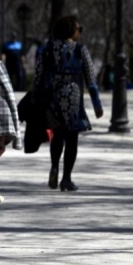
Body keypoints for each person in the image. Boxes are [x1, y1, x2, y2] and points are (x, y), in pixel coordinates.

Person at [33, 15, 103, 192]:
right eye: (78, 29)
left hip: (52, 97)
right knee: (72, 139)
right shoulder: (79, 49)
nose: (79, 32)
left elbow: (38, 76)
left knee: (57, 135)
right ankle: (66, 179)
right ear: (71, 30)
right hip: (72, 97)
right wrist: (97, 105)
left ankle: (54, 166)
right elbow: (91, 80)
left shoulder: (47, 48)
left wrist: (36, 98)